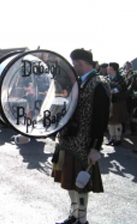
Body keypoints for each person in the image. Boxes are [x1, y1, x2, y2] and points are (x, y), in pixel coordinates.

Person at [52, 49, 110, 224]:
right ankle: (74, 215)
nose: (73, 66)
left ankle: (82, 220)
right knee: (68, 181)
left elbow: (101, 119)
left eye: (74, 63)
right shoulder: (76, 82)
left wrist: (95, 148)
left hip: (84, 144)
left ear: (79, 63)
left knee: (80, 184)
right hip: (67, 140)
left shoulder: (99, 83)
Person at [106, 63, 127, 146]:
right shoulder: (107, 78)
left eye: (109, 68)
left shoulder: (120, 78)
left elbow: (117, 89)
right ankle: (112, 138)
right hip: (110, 102)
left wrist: (111, 91)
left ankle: (117, 139)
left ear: (114, 69)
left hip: (118, 102)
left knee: (116, 120)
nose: (108, 69)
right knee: (110, 121)